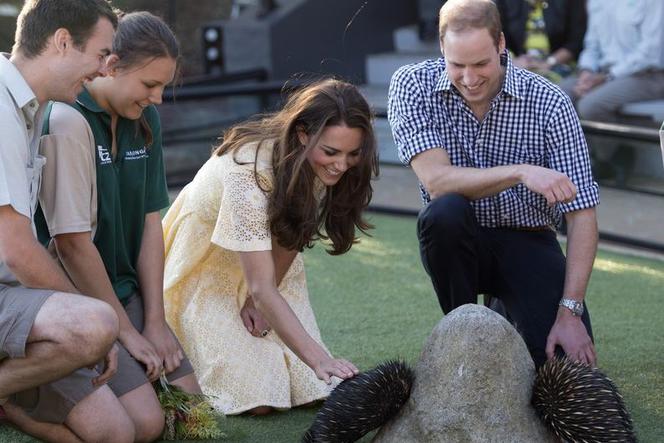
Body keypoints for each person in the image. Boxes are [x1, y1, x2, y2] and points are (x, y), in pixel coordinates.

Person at [388, 0, 598, 369]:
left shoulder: (551, 102)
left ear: (502, 44)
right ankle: (462, 333)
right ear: (442, 48)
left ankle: (505, 309)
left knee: (561, 363)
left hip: (529, 237)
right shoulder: (412, 84)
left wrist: (570, 311)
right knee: (445, 213)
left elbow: (582, 216)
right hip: (456, 243)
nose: (469, 79)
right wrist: (520, 172)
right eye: (457, 65)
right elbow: (437, 182)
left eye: (481, 63)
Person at [162, 78, 378, 415]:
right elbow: (261, 287)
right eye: (332, 152)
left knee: (311, 389)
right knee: (258, 400)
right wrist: (321, 359)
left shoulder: (314, 165)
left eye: (353, 154)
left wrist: (257, 298)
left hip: (267, 266)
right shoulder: (246, 172)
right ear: (303, 134)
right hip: (205, 266)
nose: (341, 164)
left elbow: (290, 234)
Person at [36, 11, 202, 442]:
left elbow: (152, 222)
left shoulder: (147, 120)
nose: (159, 98)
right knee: (146, 425)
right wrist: (125, 333)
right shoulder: (66, 116)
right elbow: (70, 246)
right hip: (76, 297)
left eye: (164, 86)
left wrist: (155, 322)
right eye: (150, 85)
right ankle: (17, 401)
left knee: (191, 409)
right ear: (111, 65)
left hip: (124, 292)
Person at [0, 1, 136, 442]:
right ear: (62, 42)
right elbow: (16, 249)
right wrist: (98, 326)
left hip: (13, 299)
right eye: (100, 55)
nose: (102, 70)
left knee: (117, 433)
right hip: (10, 290)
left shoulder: (32, 108)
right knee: (94, 324)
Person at [559, 0, 664, 123]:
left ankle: (625, 142)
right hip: (603, 74)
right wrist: (586, 72)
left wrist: (607, 77)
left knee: (590, 106)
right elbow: (592, 45)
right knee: (557, 96)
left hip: (647, 75)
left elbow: (650, 53)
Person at [496, 0, 586, 82]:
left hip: (558, 65)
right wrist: (514, 61)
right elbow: (498, 38)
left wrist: (549, 62)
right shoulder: (506, 3)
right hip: (520, 64)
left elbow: (576, 43)